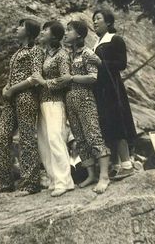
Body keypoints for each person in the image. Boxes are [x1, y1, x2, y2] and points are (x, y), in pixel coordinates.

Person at [58, 20, 111, 193]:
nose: (65, 33)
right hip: (70, 99)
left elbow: (93, 77)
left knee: (92, 135)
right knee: (79, 138)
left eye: (69, 30)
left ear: (79, 34)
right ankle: (91, 174)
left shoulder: (88, 53)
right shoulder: (68, 55)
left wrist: (71, 79)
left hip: (85, 98)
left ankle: (104, 176)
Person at [0, 19, 44, 194]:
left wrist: (13, 88)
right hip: (10, 100)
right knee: (1, 138)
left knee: (26, 138)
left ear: (29, 31)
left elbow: (36, 76)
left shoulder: (36, 51)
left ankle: (31, 183)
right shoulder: (17, 52)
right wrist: (5, 88)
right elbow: (11, 76)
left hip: (26, 98)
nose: (16, 28)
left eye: (21, 26)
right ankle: (4, 183)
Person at [30, 21, 74, 197]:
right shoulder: (46, 54)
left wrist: (43, 82)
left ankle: (65, 181)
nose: (42, 32)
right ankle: (54, 179)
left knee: (56, 139)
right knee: (44, 142)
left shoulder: (62, 55)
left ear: (55, 35)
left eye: (46, 30)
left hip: (56, 101)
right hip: (42, 102)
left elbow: (66, 78)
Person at [92, 8, 137, 179]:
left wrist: (101, 62)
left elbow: (122, 63)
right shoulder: (96, 43)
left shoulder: (115, 39)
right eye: (94, 19)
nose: (95, 22)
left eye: (98, 18)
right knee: (107, 124)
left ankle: (127, 164)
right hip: (101, 89)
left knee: (118, 122)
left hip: (113, 87)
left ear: (108, 22)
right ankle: (116, 164)